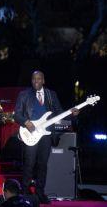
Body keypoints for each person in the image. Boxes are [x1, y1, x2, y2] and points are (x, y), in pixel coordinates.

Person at [14, 70, 79, 204]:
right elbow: (17, 115)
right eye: (33, 79)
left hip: (46, 134)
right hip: (30, 133)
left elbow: (60, 113)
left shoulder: (51, 95)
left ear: (43, 81)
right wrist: (26, 122)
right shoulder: (24, 95)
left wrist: (72, 113)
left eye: (38, 79)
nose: (36, 81)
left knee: (43, 165)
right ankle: (25, 193)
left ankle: (39, 193)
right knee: (29, 164)